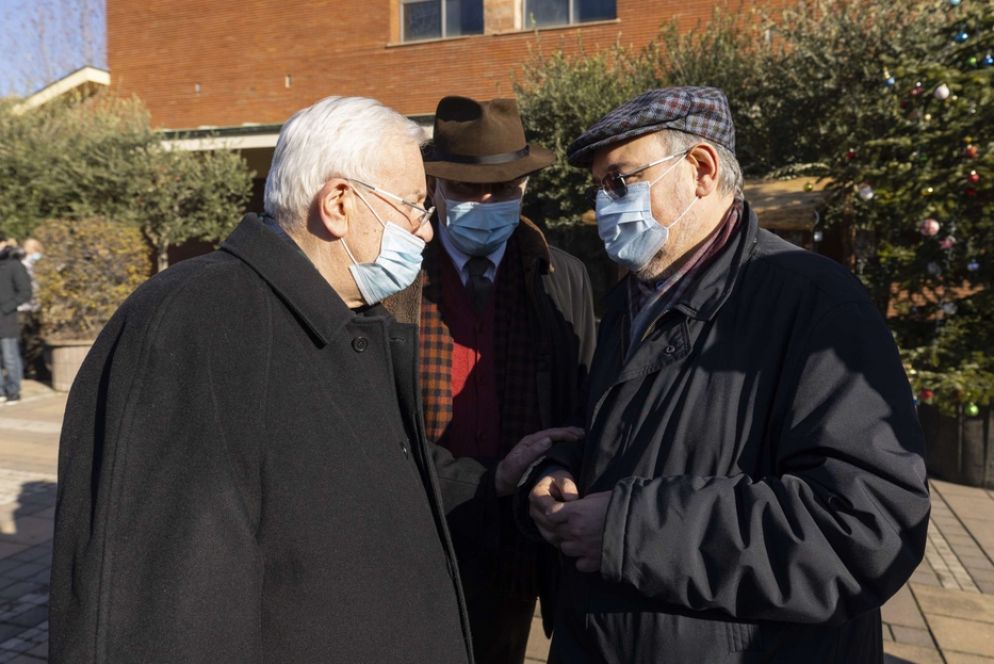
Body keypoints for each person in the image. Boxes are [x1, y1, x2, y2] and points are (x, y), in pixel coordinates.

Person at [50, 95, 567, 663]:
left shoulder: (349, 314)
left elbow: (362, 473)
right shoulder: (197, 321)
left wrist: (490, 482)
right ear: (340, 203)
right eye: (415, 206)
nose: (424, 232)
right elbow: (152, 603)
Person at [523, 87, 930, 663]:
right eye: (598, 187)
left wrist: (630, 529)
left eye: (619, 181)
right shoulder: (630, 302)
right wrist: (558, 469)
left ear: (701, 169)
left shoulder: (817, 306)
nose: (603, 205)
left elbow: (864, 528)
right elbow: (630, 439)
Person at [399, 96, 595, 664]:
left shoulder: (562, 276)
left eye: (503, 190)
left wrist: (559, 471)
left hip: (520, 537)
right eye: (466, 189)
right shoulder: (396, 275)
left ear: (525, 190)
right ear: (435, 187)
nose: (485, 202)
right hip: (420, 527)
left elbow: (578, 396)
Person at [0, 236, 31, 405]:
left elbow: (25, 292)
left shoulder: (13, 264)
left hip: (6, 318)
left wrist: (6, 308)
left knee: (10, 356)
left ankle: (14, 391)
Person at [18, 238, 44, 380]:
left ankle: (35, 368)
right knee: (29, 339)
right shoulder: (25, 264)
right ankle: (32, 368)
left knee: (34, 338)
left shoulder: (36, 264)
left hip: (34, 306)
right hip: (26, 307)